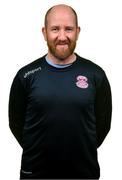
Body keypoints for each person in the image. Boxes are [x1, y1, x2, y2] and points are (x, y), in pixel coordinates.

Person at [9, 4, 112, 180]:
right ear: (44, 32)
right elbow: (16, 124)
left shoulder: (96, 75)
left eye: (69, 29)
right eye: (55, 29)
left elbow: (103, 125)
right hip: (36, 173)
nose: (62, 36)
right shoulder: (25, 76)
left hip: (83, 173)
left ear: (78, 32)